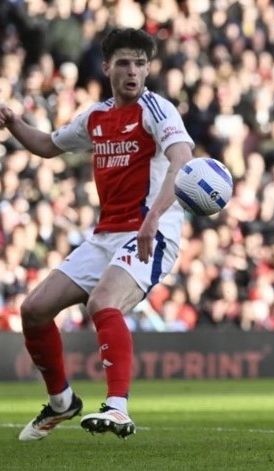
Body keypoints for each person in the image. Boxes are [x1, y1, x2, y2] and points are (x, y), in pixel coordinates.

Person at [0, 28, 195, 440]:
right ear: (106, 67)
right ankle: (61, 402)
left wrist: (154, 217)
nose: (133, 71)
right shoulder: (96, 116)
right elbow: (49, 145)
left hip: (151, 232)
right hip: (104, 235)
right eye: (124, 62)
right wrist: (15, 123)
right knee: (33, 311)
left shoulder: (157, 110)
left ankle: (118, 408)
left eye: (140, 63)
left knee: (103, 302)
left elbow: (182, 161)